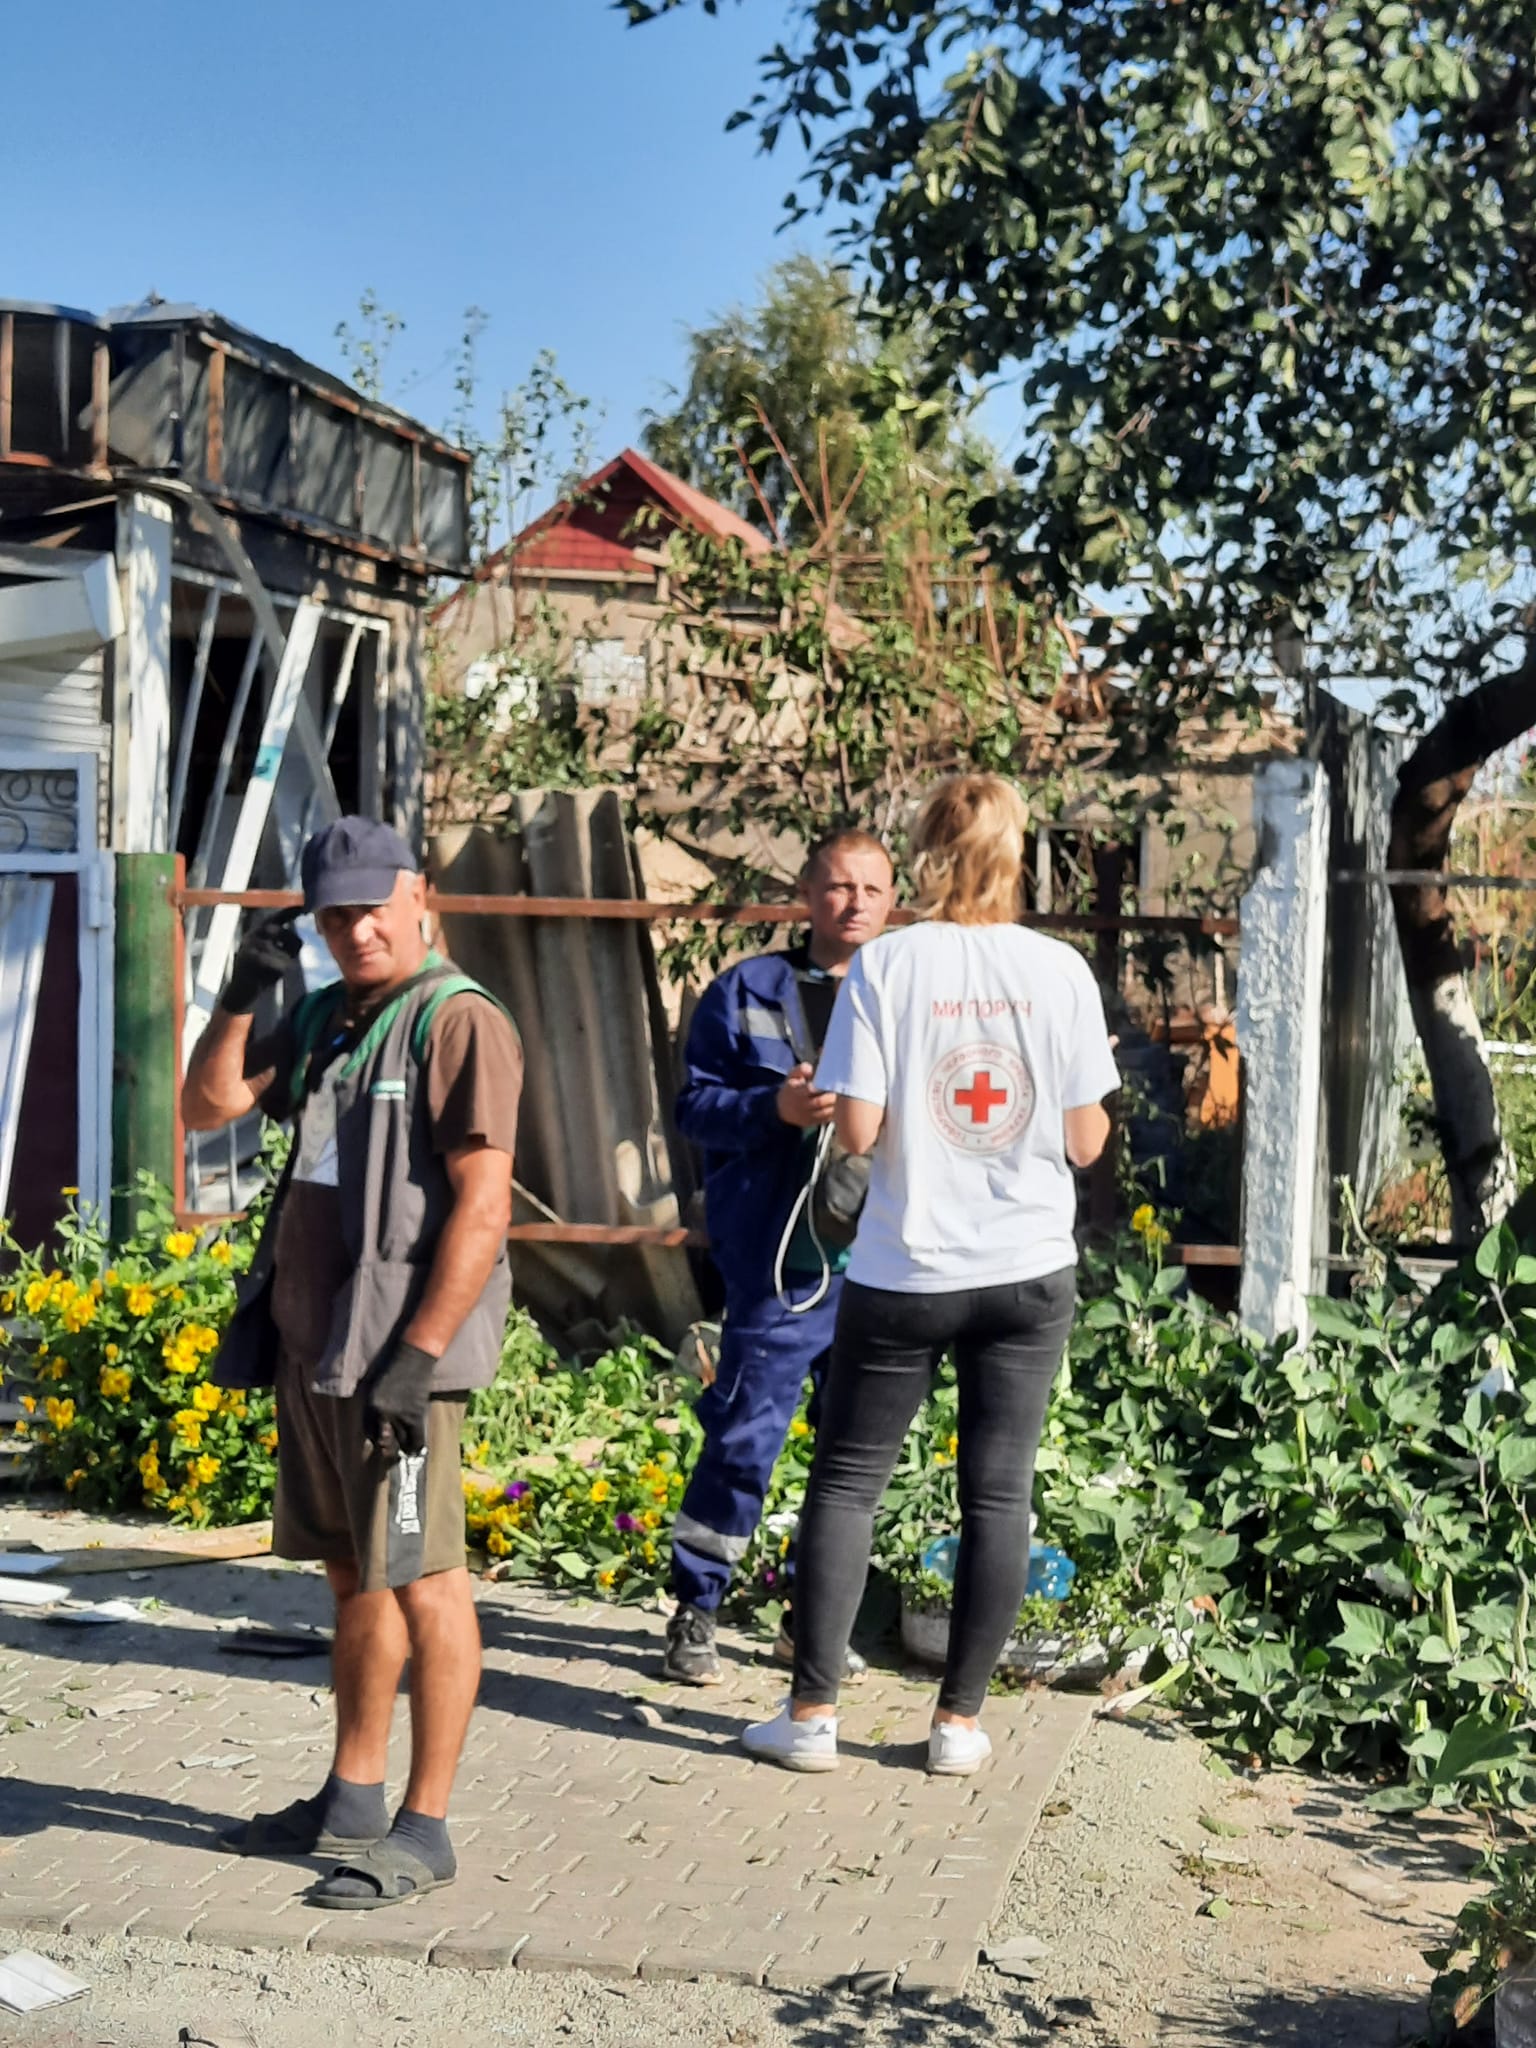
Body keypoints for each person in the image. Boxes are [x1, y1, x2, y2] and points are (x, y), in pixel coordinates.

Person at [741, 773, 1119, 1775]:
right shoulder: (1062, 970)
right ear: (1017, 854)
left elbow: (858, 1128)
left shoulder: (888, 964)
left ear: (926, 852)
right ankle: (957, 1724)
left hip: (908, 1264)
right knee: (999, 1494)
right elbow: (1087, 1143)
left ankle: (813, 1713)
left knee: (850, 1478)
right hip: (1028, 1266)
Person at [181, 816, 521, 1910]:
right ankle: (353, 1796)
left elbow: (484, 1201)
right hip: (317, 1350)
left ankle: (424, 1826)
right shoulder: (331, 1013)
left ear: (420, 895)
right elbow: (210, 1105)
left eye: (375, 903)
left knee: (426, 1581)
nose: (356, 926)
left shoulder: (456, 1020)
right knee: (351, 1573)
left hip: (395, 1360)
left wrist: (419, 1359)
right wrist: (242, 992)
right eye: (334, 912)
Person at [661, 828, 896, 1684]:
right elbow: (692, 1111)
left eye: (872, 888)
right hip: (779, 1264)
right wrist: (776, 1113)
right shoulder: (747, 991)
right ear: (806, 892)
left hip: (882, 1265)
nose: (855, 903)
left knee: (854, 1453)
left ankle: (815, 1623)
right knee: (744, 1436)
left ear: (893, 895)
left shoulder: (914, 987)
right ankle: (696, 1608)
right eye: (838, 887)